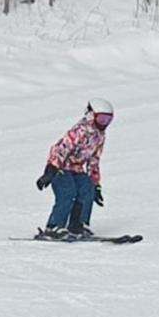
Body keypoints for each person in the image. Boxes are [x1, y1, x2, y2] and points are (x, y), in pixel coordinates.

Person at [35, 98, 112, 239]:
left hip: (76, 169)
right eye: (101, 119)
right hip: (61, 167)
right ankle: (54, 227)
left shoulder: (100, 136)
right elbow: (60, 149)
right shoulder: (80, 130)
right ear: (91, 115)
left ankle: (78, 225)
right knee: (67, 192)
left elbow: (94, 160)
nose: (104, 124)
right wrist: (51, 170)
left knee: (86, 189)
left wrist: (95, 185)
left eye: (107, 120)